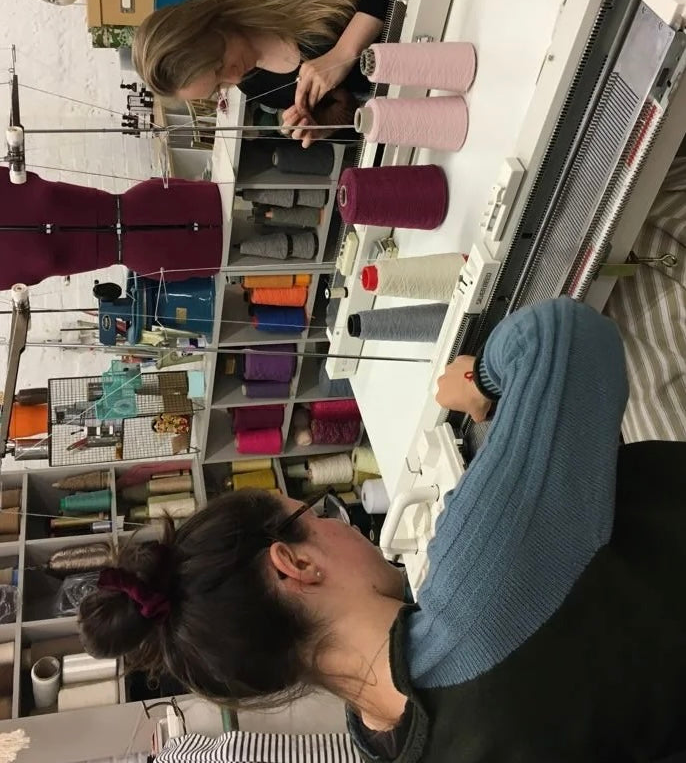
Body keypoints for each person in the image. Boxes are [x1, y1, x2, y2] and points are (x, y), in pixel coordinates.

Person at [79, 296, 686, 762]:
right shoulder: (477, 582)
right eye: (317, 514)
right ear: (295, 564)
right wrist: (478, 381)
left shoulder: (393, 747)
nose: (340, 525)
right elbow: (563, 335)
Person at [132, 0, 389, 147]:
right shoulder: (255, 83)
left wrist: (344, 51)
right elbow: (368, 118)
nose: (235, 77)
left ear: (207, 26)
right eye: (219, 86)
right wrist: (328, 124)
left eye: (219, 65)